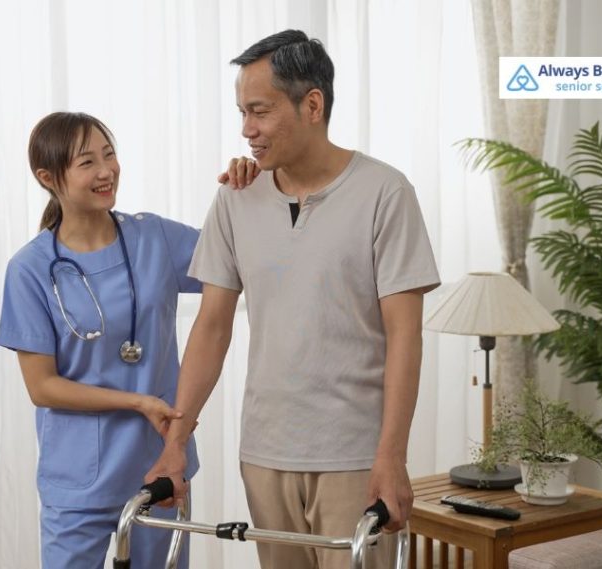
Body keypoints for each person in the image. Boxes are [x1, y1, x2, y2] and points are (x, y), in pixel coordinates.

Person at [145, 30, 440, 569]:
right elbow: (212, 326)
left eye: (259, 111)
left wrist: (391, 458)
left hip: (354, 457)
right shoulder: (236, 198)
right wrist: (176, 442)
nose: (246, 130)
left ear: (312, 105)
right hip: (264, 454)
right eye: (242, 112)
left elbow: (405, 335)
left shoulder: (385, 193)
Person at [0, 111, 256, 568]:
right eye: (86, 162)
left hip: (159, 470)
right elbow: (43, 386)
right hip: (79, 484)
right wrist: (137, 402)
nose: (105, 171)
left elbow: (241, 255)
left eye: (109, 154)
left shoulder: (153, 237)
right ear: (47, 177)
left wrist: (249, 192)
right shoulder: (30, 270)